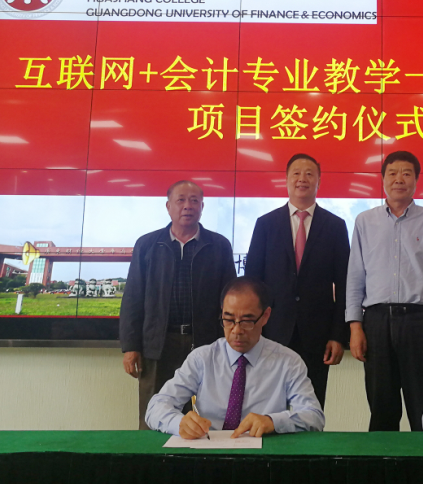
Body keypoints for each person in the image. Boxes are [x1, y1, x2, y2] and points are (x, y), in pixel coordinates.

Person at [346, 150, 423, 431]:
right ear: (383, 179)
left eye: (407, 173)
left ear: (416, 180)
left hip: (420, 322)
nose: (399, 179)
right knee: (381, 408)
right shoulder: (364, 221)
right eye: (392, 173)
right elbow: (355, 277)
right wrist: (355, 327)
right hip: (376, 321)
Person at [120, 180, 237, 429]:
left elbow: (230, 300)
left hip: (206, 343)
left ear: (202, 207)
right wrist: (130, 347)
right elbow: (133, 298)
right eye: (181, 200)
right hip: (158, 345)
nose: (187, 206)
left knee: (210, 420)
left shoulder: (219, 246)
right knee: (153, 417)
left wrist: (229, 344)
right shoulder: (147, 245)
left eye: (194, 201)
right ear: (168, 206)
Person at [146, 277, 325, 438]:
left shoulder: (288, 362)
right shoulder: (202, 359)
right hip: (210, 451)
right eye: (229, 320)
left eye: (247, 321)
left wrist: (273, 421)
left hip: (263, 453)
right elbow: (156, 407)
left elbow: (314, 416)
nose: (237, 330)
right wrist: (179, 423)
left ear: (265, 316)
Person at [245, 153, 350, 408]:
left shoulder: (335, 226)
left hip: (317, 336)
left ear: (319, 181)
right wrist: (253, 329)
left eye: (309, 174)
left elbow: (345, 285)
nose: (302, 179)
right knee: (268, 407)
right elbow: (252, 283)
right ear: (286, 179)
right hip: (272, 333)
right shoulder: (266, 224)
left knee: (311, 407)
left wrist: (338, 335)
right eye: (296, 173)